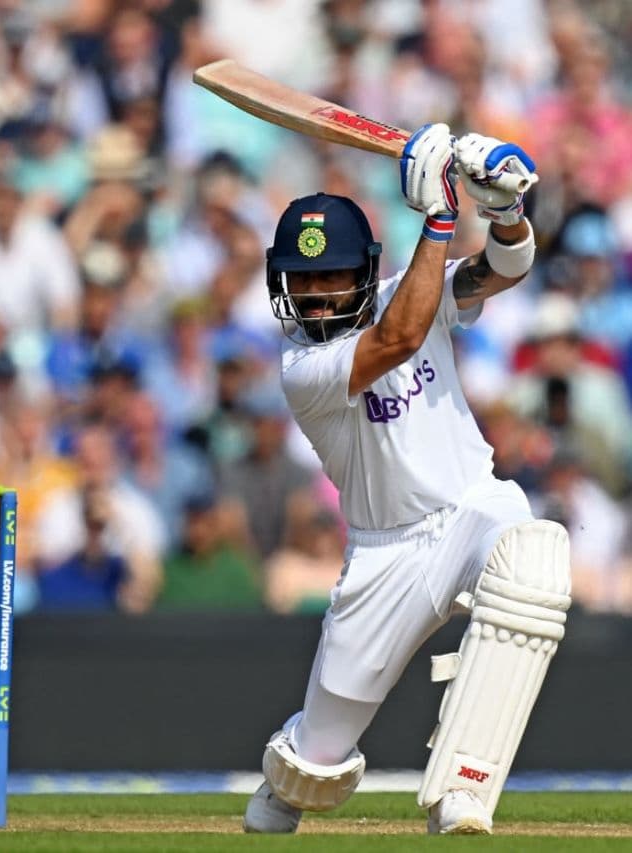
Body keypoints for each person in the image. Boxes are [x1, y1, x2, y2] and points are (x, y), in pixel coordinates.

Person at [243, 124, 571, 835]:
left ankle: (463, 789)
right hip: (385, 552)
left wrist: (506, 210)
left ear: (365, 270)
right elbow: (397, 337)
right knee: (312, 770)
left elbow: (503, 270)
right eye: (303, 281)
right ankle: (283, 786)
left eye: (332, 276)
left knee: (534, 562)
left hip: (472, 506)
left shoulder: (409, 290)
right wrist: (441, 217)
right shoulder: (302, 369)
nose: (317, 296)